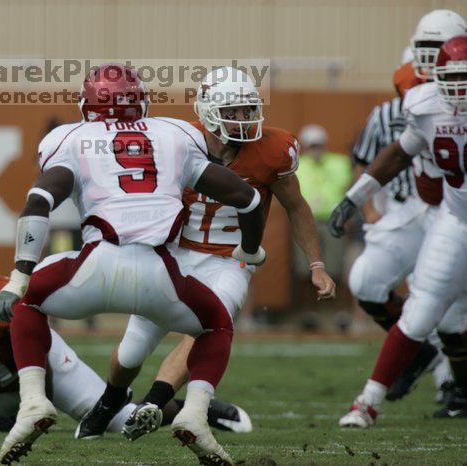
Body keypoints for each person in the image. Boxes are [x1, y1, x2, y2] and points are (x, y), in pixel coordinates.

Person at [0, 63, 267, 465]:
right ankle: (193, 412)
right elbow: (248, 199)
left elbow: (38, 203)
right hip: (161, 273)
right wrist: (250, 250)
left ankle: (33, 402)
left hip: (94, 266)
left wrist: (19, 276)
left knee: (27, 302)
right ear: (141, 101)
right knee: (216, 325)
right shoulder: (176, 134)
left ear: (87, 105)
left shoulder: (70, 138)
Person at [76, 67, 336, 443]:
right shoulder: (178, 141)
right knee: (131, 352)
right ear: (209, 111)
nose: (244, 119)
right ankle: (112, 398)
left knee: (210, 322)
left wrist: (317, 264)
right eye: (234, 111)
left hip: (230, 261)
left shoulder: (272, 150)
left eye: (248, 110)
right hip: (174, 253)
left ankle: (155, 402)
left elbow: (297, 207)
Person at [0, 225, 251, 436]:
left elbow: (36, 360)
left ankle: (184, 407)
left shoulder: (3, 300)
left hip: (48, 368)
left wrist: (40, 413)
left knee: (121, 421)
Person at [329, 35, 467, 426]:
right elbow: (398, 154)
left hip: (447, 216)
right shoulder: (425, 107)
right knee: (426, 309)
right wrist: (355, 198)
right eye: (452, 76)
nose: (459, 86)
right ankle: (368, 401)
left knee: (453, 319)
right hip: (454, 221)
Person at [295, 124, 352, 281]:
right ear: (305, 146)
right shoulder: (297, 165)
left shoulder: (341, 163)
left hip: (333, 220)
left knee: (335, 265)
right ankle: (308, 305)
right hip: (306, 220)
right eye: (312, 146)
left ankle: (332, 304)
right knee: (304, 266)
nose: (316, 149)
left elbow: (350, 188)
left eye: (318, 145)